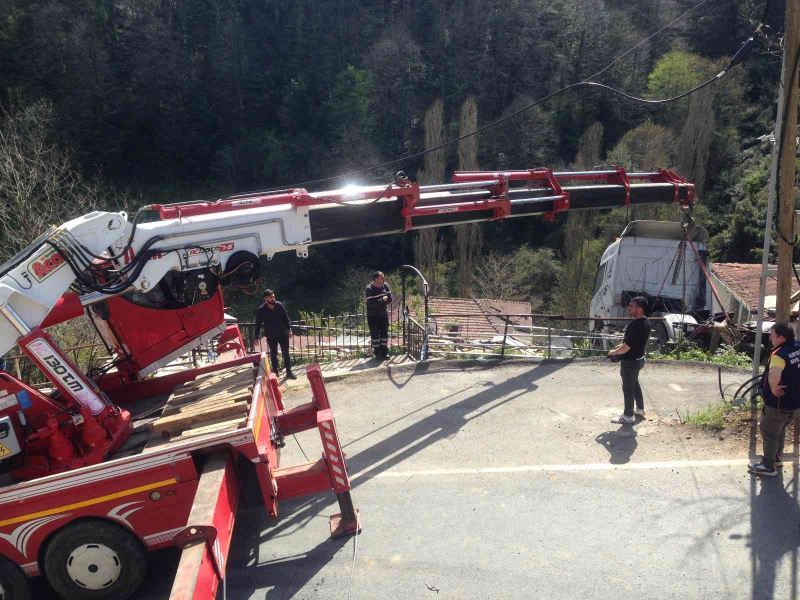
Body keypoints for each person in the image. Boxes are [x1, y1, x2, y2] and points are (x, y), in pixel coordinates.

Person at [749, 323, 800, 477]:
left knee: (769, 431)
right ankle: (777, 457)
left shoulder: (780, 354)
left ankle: (768, 466)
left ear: (781, 337)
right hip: (794, 403)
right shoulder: (797, 347)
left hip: (778, 404)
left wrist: (772, 387)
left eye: (772, 334)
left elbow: (774, 375)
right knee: (780, 429)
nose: (770, 337)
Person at [608, 296, 651, 424]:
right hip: (639, 359)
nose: (629, 308)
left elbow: (627, 347)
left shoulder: (635, 325)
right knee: (635, 384)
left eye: (632, 306)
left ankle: (628, 416)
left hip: (630, 362)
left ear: (640, 308)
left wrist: (614, 352)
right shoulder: (646, 322)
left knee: (628, 387)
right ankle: (640, 409)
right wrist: (620, 348)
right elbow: (633, 343)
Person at [253, 289, 296, 379]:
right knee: (273, 353)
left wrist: (289, 329)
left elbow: (285, 318)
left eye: (273, 296)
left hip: (282, 333)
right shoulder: (261, 310)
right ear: (266, 298)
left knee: (286, 353)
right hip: (271, 334)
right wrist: (256, 337)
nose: (273, 298)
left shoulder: (279, 305)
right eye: (270, 297)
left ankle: (289, 372)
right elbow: (258, 324)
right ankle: (275, 373)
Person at [365, 271, 392, 360]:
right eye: (381, 278)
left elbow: (390, 299)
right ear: (376, 279)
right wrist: (383, 300)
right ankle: (378, 353)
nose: (383, 279)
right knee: (375, 334)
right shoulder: (369, 289)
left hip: (383, 314)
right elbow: (370, 304)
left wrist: (378, 301)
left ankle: (385, 352)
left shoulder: (385, 286)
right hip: (372, 316)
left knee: (384, 333)